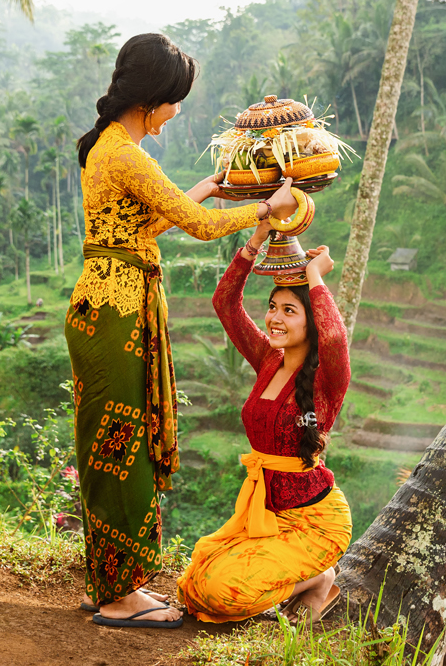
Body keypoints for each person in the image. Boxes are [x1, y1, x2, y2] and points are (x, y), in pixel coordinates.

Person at [67, 33, 298, 629]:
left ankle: (112, 583)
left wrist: (218, 186)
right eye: (176, 100)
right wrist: (266, 209)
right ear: (153, 99)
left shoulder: (113, 148)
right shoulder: (126, 154)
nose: (178, 111)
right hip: (117, 312)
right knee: (122, 447)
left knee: (113, 445)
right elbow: (194, 226)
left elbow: (148, 224)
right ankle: (119, 595)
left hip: (111, 303)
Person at [176, 223, 353, 624]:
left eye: (289, 311)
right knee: (195, 584)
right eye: (273, 307)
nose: (274, 318)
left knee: (223, 592)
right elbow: (225, 303)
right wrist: (256, 239)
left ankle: (319, 579)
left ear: (310, 321)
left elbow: (336, 339)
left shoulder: (328, 378)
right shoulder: (266, 358)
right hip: (265, 514)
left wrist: (313, 275)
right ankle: (314, 580)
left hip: (314, 522)